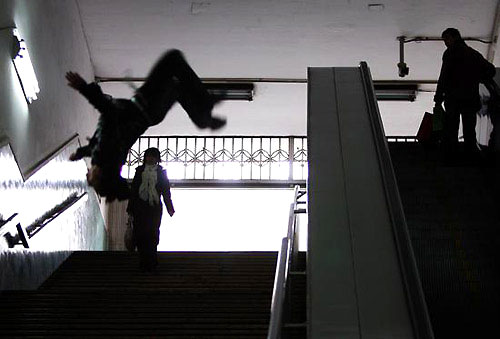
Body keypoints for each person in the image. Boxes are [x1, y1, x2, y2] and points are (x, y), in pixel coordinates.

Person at [65, 49, 226, 201]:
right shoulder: (105, 153)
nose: (87, 176)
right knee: (173, 59)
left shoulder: (106, 159)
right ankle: (204, 109)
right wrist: (83, 88)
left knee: (177, 86)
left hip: (150, 111)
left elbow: (97, 147)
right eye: (91, 181)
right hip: (148, 104)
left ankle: (203, 115)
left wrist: (80, 153)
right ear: (99, 176)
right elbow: (109, 112)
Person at [434, 28, 496, 162]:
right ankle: (470, 155)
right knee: (469, 129)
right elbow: (490, 70)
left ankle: (452, 156)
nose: (445, 43)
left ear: (453, 37)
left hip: (453, 98)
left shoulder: (450, 53)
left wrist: (438, 96)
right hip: (470, 97)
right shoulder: (473, 54)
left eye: (446, 39)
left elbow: (443, 76)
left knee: (452, 128)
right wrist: (477, 77)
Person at [126, 147, 174, 273]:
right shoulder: (139, 171)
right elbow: (134, 191)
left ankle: (152, 261)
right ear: (145, 158)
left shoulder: (161, 173)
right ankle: (143, 261)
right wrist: (130, 209)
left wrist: (170, 208)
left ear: (157, 159)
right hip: (139, 207)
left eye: (153, 156)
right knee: (140, 233)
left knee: (152, 233)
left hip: (154, 208)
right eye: (148, 156)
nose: (150, 158)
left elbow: (165, 191)